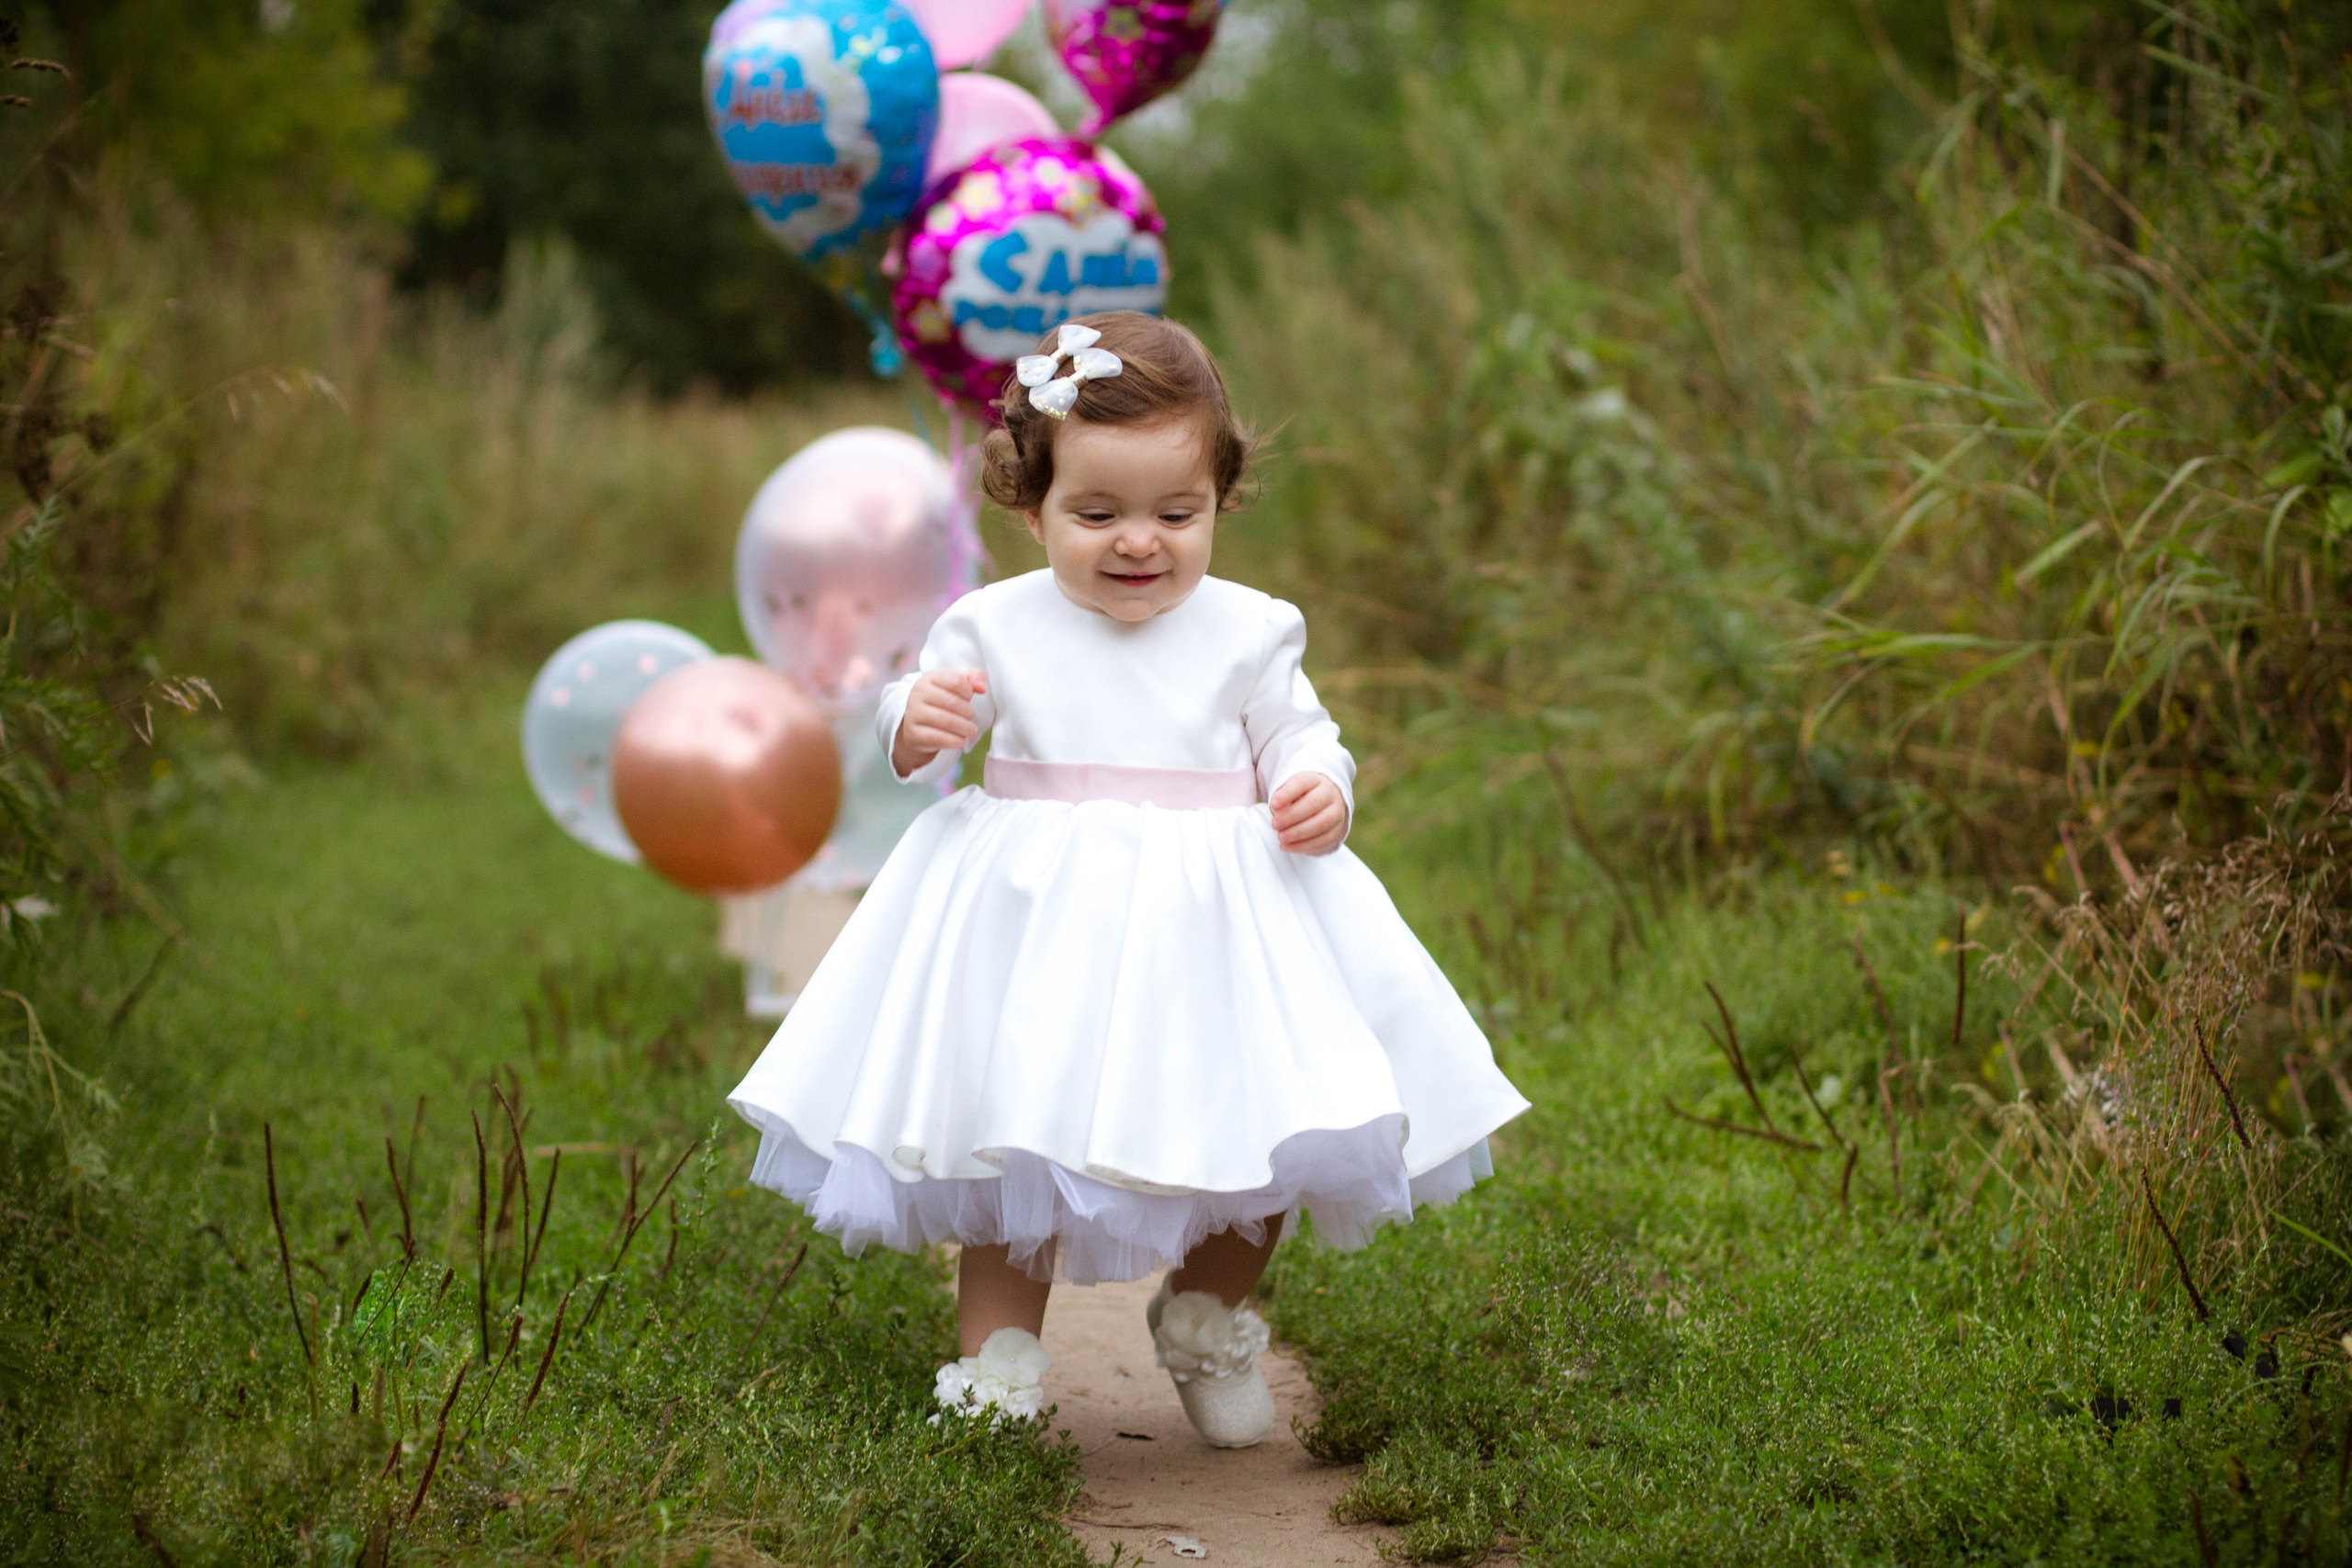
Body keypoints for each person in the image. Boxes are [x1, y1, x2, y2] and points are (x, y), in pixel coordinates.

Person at [727, 311, 1528, 1448]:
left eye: (1175, 513)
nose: (1137, 542)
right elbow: (914, 724)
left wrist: (1317, 787)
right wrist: (921, 718)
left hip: (1216, 923)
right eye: (1094, 514)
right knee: (1016, 1143)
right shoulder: (992, 622)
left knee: (1263, 1136)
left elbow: (1303, 736)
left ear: (1220, 497)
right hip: (1039, 923)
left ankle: (1205, 1316)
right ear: (1030, 504)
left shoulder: (1253, 629)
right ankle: (993, 1367)